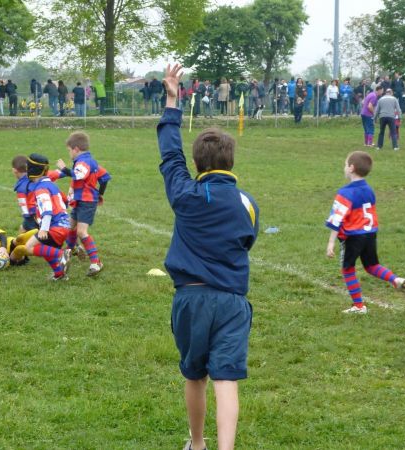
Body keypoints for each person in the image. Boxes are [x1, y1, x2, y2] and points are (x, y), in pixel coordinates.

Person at [158, 63, 259, 450]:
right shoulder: (247, 203)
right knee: (226, 379)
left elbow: (170, 154)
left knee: (194, 375)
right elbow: (246, 243)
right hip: (232, 301)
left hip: (191, 299)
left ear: (197, 163)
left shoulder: (185, 195)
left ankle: (197, 444)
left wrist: (173, 100)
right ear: (230, 161)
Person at [325, 151, 405, 314]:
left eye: (345, 165)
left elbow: (336, 219)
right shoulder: (369, 190)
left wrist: (331, 242)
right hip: (370, 233)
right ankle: (395, 280)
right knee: (372, 265)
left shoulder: (345, 193)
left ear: (351, 168)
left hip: (353, 237)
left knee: (348, 269)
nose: (344, 168)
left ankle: (359, 306)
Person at [56, 132, 111, 277]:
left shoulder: (83, 162)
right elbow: (104, 177)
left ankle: (96, 262)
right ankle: (72, 250)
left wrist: (64, 169)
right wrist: (100, 193)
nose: (69, 154)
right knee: (68, 228)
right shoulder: (89, 160)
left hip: (87, 202)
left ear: (76, 149)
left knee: (81, 231)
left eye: (69, 150)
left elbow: (79, 175)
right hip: (81, 201)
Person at [23, 154, 72, 281]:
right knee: (46, 250)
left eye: (27, 167)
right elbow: (65, 201)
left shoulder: (40, 188)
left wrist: (43, 229)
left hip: (53, 227)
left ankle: (62, 254)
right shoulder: (51, 184)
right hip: (64, 226)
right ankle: (59, 274)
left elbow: (47, 209)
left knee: (28, 247)